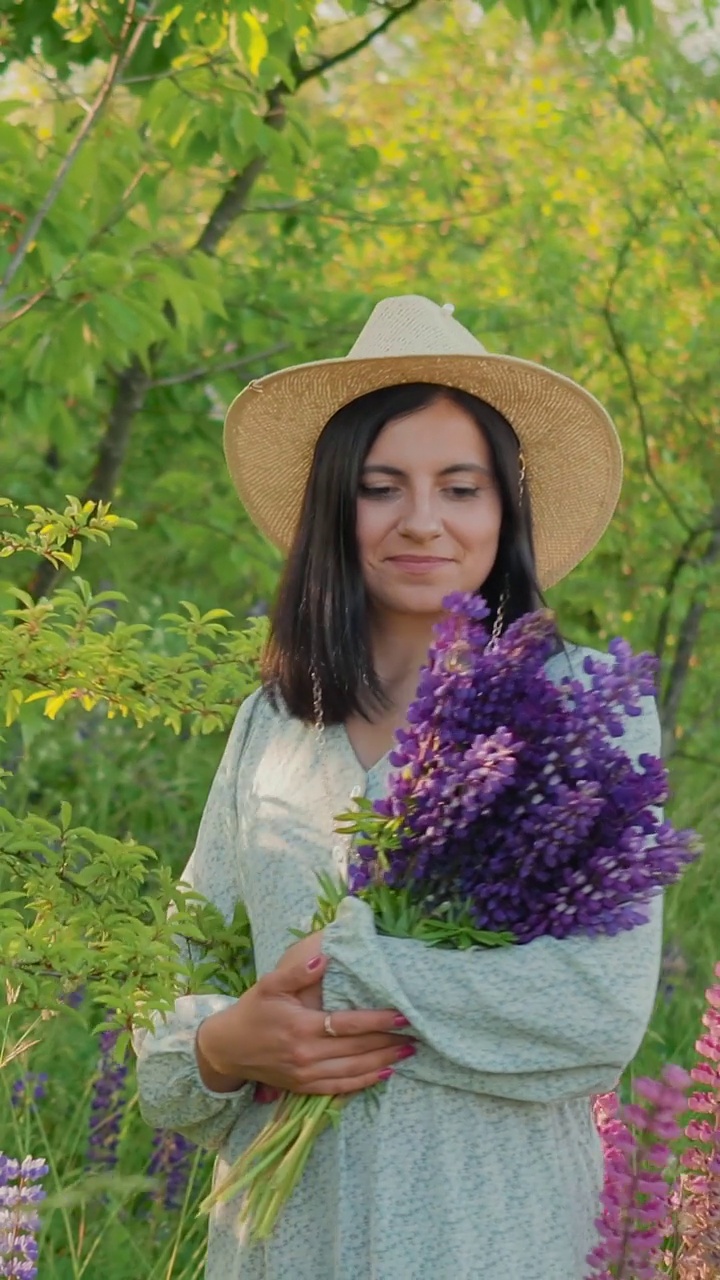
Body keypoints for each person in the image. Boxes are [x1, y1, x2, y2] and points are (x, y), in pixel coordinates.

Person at [133, 295, 663, 1280]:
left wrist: (351, 969)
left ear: (506, 508)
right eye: (383, 486)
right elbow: (171, 976)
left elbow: (597, 1010)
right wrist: (223, 1041)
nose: (424, 520)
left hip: (491, 1236)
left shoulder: (581, 708)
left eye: (460, 487)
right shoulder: (275, 720)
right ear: (338, 505)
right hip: (281, 1241)